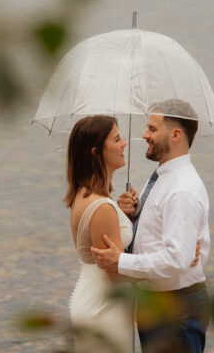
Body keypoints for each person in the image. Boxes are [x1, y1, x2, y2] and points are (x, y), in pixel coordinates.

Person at [91, 100, 210, 353]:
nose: (145, 135)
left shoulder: (181, 189)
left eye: (152, 129)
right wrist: (134, 215)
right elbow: (160, 234)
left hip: (176, 309)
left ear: (175, 135)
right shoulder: (160, 178)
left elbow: (177, 260)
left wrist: (120, 261)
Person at [65, 115, 135, 352]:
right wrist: (168, 270)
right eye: (117, 139)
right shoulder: (102, 207)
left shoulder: (86, 195)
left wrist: (125, 215)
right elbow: (115, 274)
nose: (124, 143)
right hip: (105, 307)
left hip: (93, 298)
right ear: (96, 152)